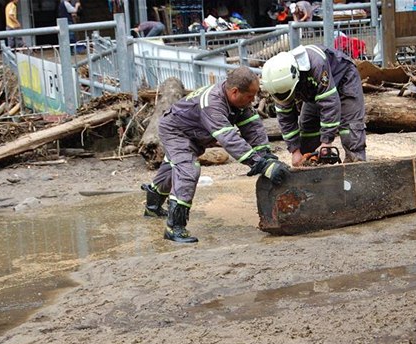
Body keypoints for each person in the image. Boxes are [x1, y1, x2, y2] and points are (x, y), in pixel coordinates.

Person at [141, 66, 290, 243]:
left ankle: (152, 205)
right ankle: (174, 227)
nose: (253, 100)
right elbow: (229, 139)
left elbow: (253, 128)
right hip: (176, 132)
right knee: (188, 169)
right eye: (250, 96)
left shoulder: (238, 101)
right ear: (235, 92)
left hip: (194, 132)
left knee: (173, 167)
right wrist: (260, 165)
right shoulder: (213, 103)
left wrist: (265, 155)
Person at [261, 44, 367, 165]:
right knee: (308, 129)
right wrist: (295, 151)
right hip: (315, 91)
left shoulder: (317, 64)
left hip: (344, 79)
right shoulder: (278, 82)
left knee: (350, 130)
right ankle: (314, 171)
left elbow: (329, 102)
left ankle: (356, 168)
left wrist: (326, 142)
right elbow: (285, 117)